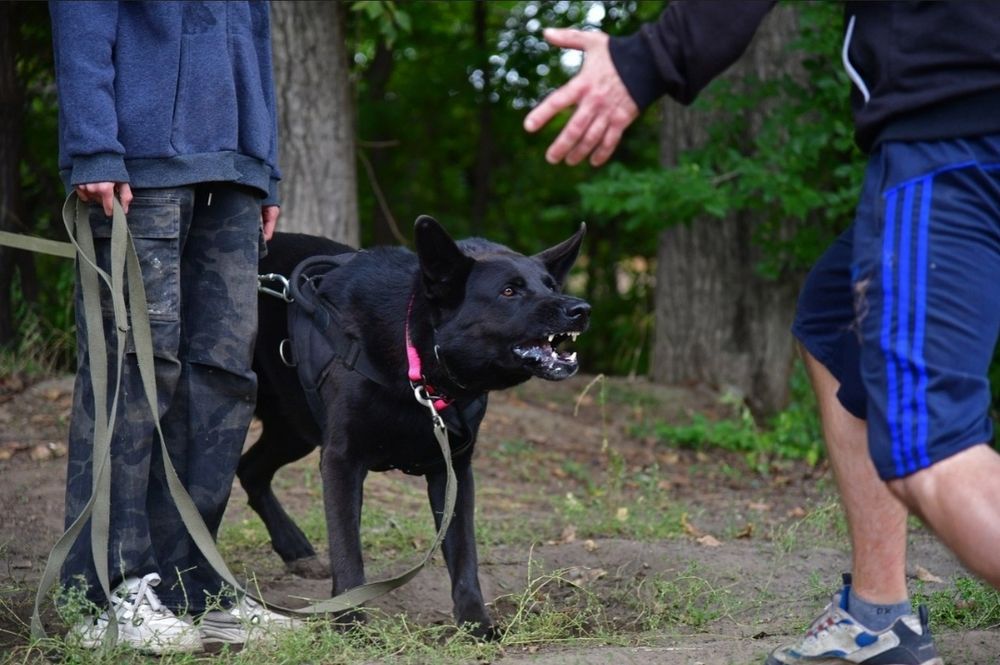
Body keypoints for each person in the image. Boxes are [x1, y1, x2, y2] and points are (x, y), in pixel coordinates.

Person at [524, 1, 1000, 664]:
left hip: (959, 126)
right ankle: (876, 618)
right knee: (836, 319)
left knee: (934, 452)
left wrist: (645, 60)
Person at [49, 0, 298, 653]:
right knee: (132, 369)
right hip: (136, 161)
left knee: (223, 377)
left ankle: (191, 584)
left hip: (236, 169)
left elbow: (254, 32)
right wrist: (93, 140)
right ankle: (102, 591)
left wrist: (263, 165)